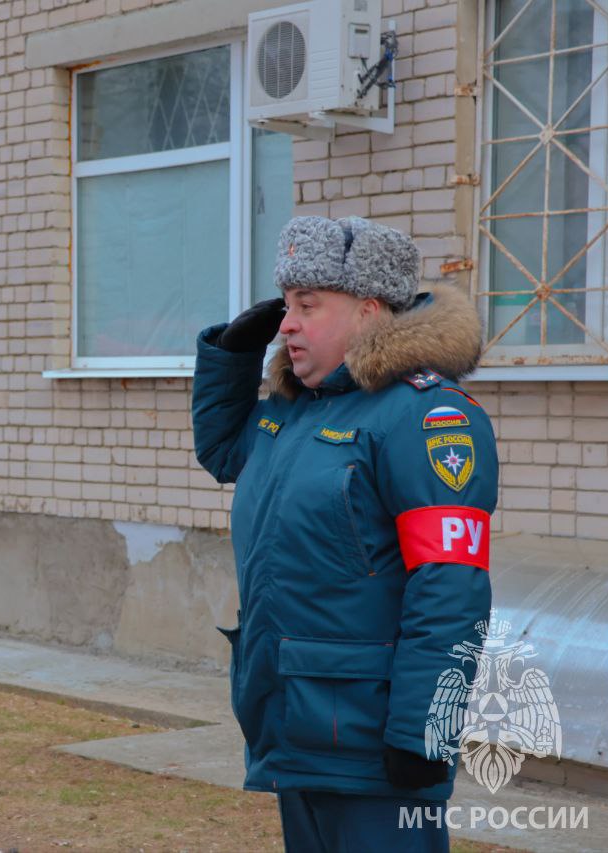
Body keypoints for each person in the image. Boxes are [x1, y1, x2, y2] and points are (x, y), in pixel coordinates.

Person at [192, 216, 496, 853]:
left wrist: (424, 734)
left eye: (308, 305)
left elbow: (450, 590)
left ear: (367, 311)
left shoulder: (427, 416)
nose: (287, 324)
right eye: (286, 305)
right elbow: (222, 452)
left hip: (375, 743)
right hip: (294, 719)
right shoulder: (292, 411)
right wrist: (232, 356)